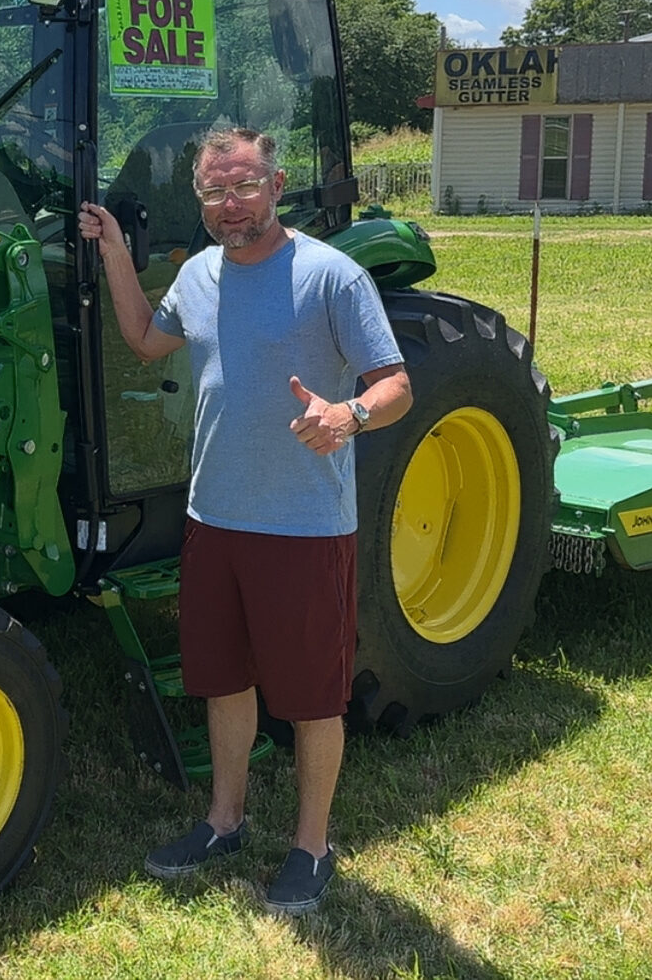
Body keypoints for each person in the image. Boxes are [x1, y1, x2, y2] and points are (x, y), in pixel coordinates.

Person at [78, 126, 411, 917]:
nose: (231, 206)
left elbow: (395, 382)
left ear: (277, 183)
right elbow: (143, 339)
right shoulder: (195, 276)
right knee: (224, 683)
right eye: (215, 193)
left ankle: (311, 848)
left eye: (244, 188)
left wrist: (349, 412)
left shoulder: (332, 277)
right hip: (215, 517)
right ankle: (223, 822)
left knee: (311, 700)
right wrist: (117, 256)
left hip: (303, 526)